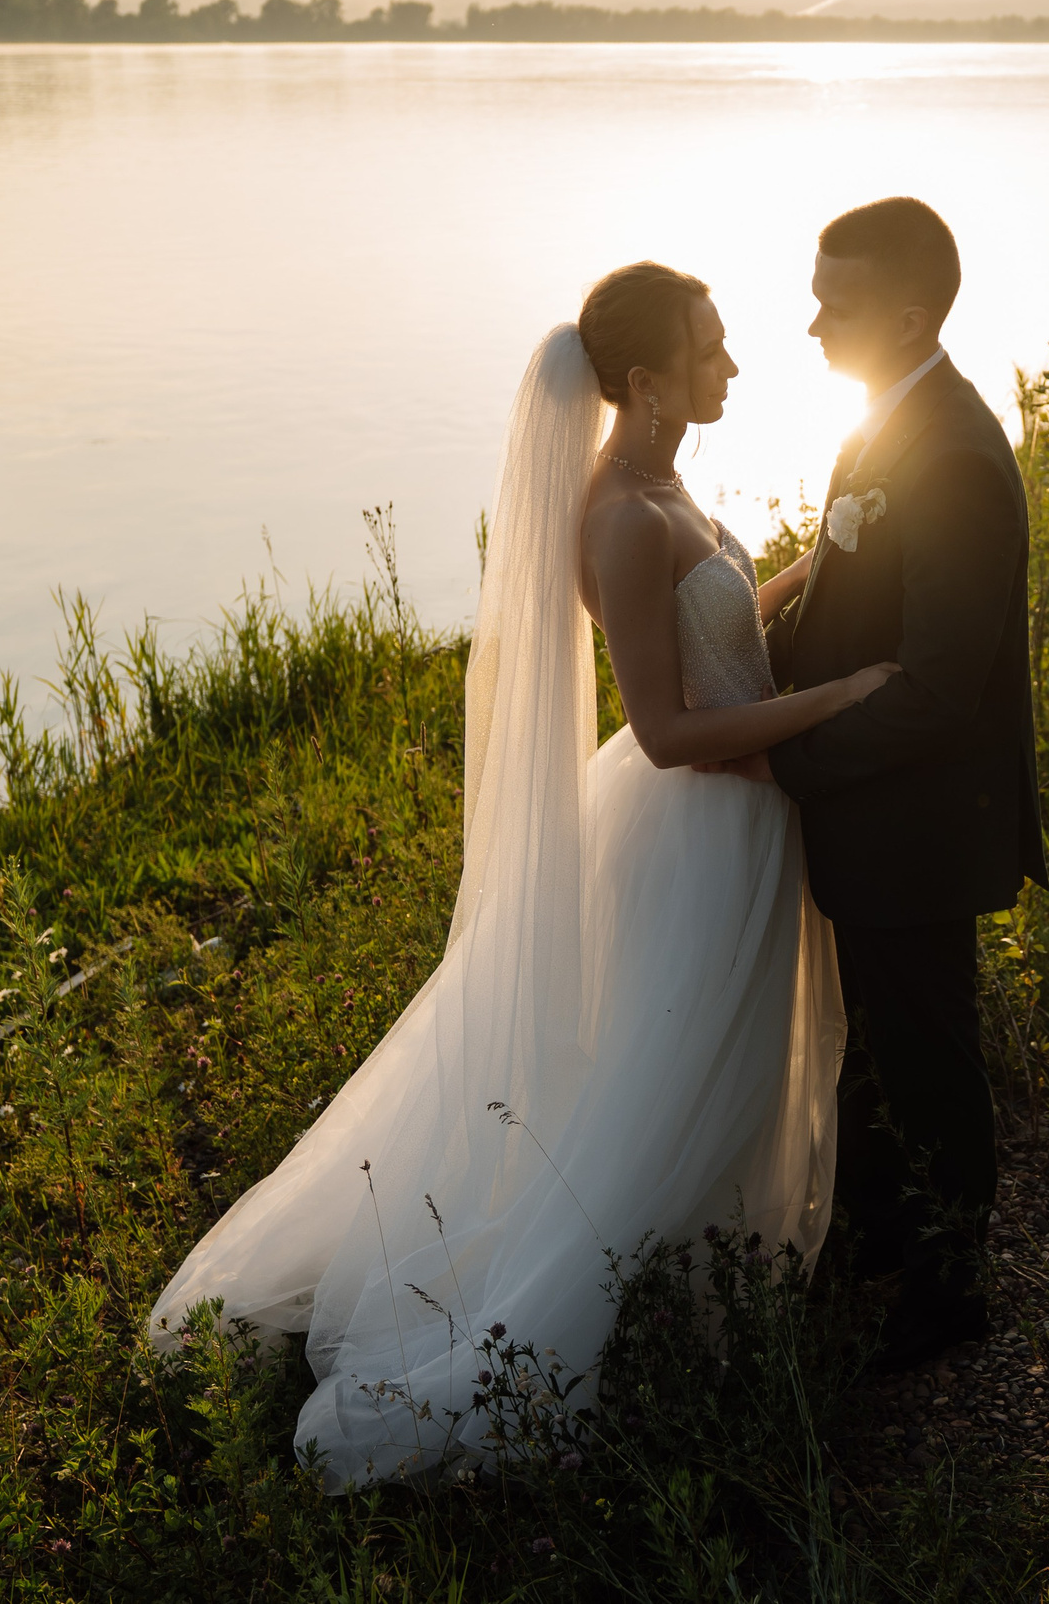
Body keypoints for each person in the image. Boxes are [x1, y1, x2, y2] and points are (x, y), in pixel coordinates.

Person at [149, 262, 896, 1489]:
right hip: (698, 825)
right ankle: (567, 1319)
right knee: (661, 1081)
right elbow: (668, 729)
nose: (732, 364)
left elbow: (710, 641)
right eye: (710, 349)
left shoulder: (659, 483)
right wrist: (838, 698)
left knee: (705, 1072)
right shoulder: (620, 515)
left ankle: (703, 1287)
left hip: (740, 813)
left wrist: (802, 579)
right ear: (646, 381)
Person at [708, 198, 1048, 1370]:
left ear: (907, 319)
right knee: (878, 1042)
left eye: (835, 306)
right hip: (874, 810)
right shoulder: (882, 422)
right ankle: (887, 1233)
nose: (811, 326)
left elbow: (940, 689)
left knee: (929, 1050)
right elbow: (843, 612)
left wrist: (783, 759)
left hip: (921, 821)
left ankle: (955, 1287)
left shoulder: (950, 455)